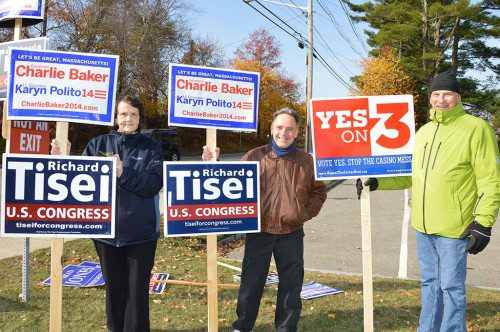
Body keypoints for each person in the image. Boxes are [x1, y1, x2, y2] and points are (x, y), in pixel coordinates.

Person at [356, 71, 499, 332]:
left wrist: (484, 222)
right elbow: (412, 176)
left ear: (458, 97)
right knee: (429, 284)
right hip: (423, 227)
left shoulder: (476, 129)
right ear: (430, 98)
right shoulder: (423, 132)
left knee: (452, 287)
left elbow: (490, 181)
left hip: (455, 228)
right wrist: (378, 182)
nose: (441, 99)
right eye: (436, 94)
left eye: (447, 94)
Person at [203, 108, 327, 332]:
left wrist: (302, 213)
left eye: (290, 128)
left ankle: (286, 327)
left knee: (291, 285)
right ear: (271, 128)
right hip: (259, 231)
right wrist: (214, 161)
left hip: (291, 232)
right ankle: (243, 326)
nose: (284, 133)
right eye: (279, 127)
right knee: (251, 284)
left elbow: (319, 192)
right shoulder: (254, 156)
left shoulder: (307, 161)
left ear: (297, 132)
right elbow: (230, 183)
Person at [51, 95, 163, 332]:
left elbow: (153, 185)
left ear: (140, 118)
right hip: (105, 233)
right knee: (114, 290)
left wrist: (124, 173)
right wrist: (64, 159)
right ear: (115, 118)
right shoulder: (98, 144)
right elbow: (79, 182)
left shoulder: (152, 148)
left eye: (133, 114)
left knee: (137, 294)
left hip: (141, 234)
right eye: (123, 114)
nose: (128, 118)